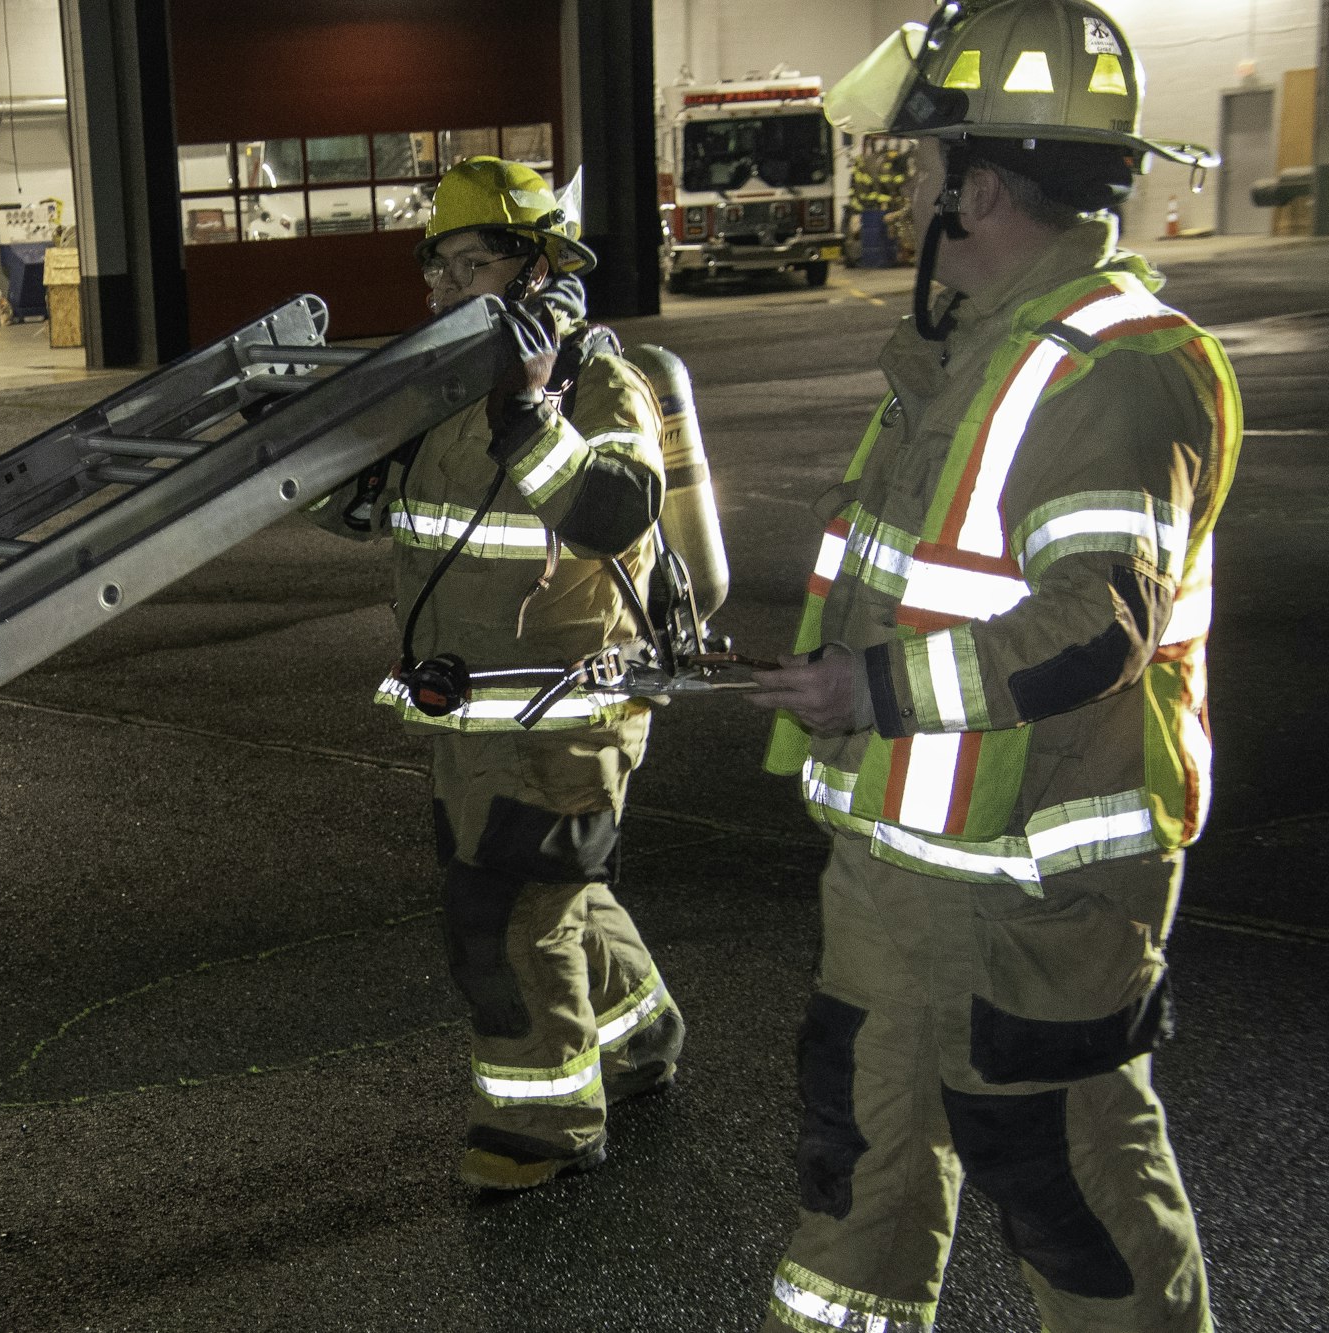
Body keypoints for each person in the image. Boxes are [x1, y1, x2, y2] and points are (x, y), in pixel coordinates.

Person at [745, 3, 1240, 1329]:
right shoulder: (976, 346)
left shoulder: (1115, 371)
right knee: (856, 1157)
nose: (903, 197)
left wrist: (868, 690)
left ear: (980, 188)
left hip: (1034, 884)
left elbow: (1096, 623)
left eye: (919, 166)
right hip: (903, 869)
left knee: (1067, 1184)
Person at [310, 156, 686, 1190]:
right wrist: (298, 455)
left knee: (505, 916)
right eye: (435, 266)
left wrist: (529, 416)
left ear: (535, 269)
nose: (442, 287)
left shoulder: (595, 382)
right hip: (472, 709)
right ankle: (640, 1033)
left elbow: (614, 508)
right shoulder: (443, 392)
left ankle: (539, 1126)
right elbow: (371, 510)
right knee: (554, 894)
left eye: (468, 263)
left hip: (571, 709)